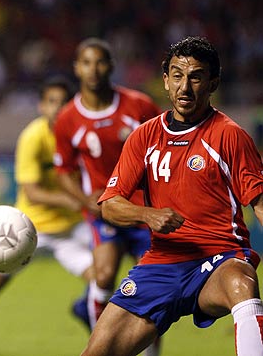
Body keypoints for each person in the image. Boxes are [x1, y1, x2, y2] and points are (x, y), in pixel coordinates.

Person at [81, 36, 263, 356]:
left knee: (242, 284)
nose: (185, 87)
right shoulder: (144, 136)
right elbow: (110, 205)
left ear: (213, 83)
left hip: (220, 257)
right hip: (160, 264)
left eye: (196, 77)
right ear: (165, 81)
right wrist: (147, 215)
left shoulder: (230, 135)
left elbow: (260, 203)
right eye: (177, 75)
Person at [0, 76, 94, 355]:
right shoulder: (33, 137)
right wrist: (79, 200)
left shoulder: (81, 136)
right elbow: (33, 192)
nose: (57, 109)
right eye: (51, 102)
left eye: (64, 103)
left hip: (72, 228)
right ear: (41, 105)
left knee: (102, 277)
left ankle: (85, 311)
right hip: (28, 228)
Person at [53, 38, 161, 353]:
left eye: (100, 62)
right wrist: (87, 201)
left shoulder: (138, 106)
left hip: (144, 210)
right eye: (86, 62)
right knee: (103, 274)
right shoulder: (68, 118)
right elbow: (64, 170)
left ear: (111, 66)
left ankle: (150, 350)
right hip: (104, 210)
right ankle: (101, 345)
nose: (93, 69)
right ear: (77, 67)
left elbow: (166, 145)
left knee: (150, 286)